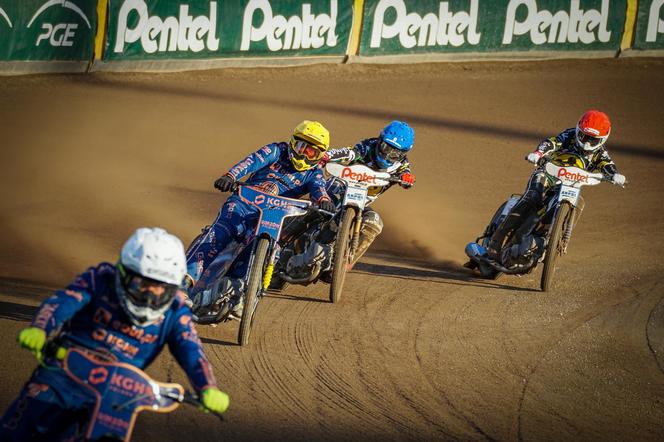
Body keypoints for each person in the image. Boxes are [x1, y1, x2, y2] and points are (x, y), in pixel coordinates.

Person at [0, 227, 229, 441]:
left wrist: (207, 387)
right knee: (18, 432)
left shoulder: (176, 311)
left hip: (118, 394)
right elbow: (64, 301)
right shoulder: (100, 278)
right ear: (123, 274)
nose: (150, 297)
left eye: (160, 288)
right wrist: (40, 329)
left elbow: (191, 349)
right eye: (142, 285)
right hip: (61, 375)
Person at [185, 120, 336, 306]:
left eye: (311, 151)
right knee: (219, 234)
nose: (304, 154)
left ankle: (234, 296)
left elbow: (319, 189)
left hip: (273, 217)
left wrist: (324, 201)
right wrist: (230, 176)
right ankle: (183, 282)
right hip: (243, 203)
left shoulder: (314, 173)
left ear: (319, 155)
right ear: (292, 142)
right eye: (301, 146)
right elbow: (251, 162)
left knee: (260, 253)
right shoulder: (276, 150)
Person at [486, 109, 626, 258]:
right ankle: (496, 240)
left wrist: (615, 175)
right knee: (533, 196)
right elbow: (551, 142)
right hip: (548, 173)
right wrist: (538, 153)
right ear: (578, 129)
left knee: (580, 202)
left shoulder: (600, 153)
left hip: (571, 185)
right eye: (584, 136)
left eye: (592, 139)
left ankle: (556, 238)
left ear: (602, 139)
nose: (586, 143)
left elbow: (607, 164)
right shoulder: (569, 135)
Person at [317, 120, 416, 265]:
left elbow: (407, 178)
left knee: (374, 224)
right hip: (339, 190)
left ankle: (344, 263)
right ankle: (289, 234)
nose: (388, 155)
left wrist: (407, 179)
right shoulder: (368, 146)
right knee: (320, 206)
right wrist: (329, 155)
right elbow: (350, 152)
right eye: (385, 148)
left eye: (395, 153)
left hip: (361, 203)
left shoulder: (402, 165)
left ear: (403, 153)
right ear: (380, 140)